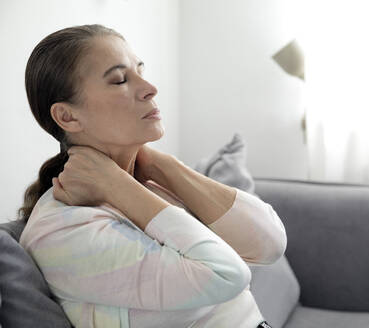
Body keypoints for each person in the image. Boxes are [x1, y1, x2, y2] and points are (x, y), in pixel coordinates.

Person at [17, 24, 286, 328]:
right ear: (68, 116)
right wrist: (116, 184)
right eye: (120, 80)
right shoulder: (60, 230)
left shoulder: (152, 182)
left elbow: (270, 243)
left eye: (141, 70)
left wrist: (163, 166)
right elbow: (227, 275)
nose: (149, 87)